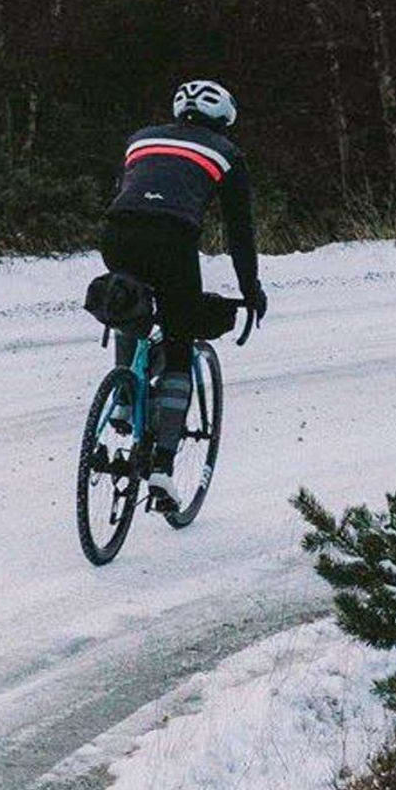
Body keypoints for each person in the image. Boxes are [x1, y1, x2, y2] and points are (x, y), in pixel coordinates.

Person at [100, 80, 266, 500]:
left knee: (132, 305)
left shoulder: (140, 139)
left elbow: (127, 189)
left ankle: (124, 394)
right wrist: (251, 289)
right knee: (179, 346)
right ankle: (162, 469)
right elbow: (239, 231)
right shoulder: (227, 153)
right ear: (224, 120)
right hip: (173, 241)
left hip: (116, 233)